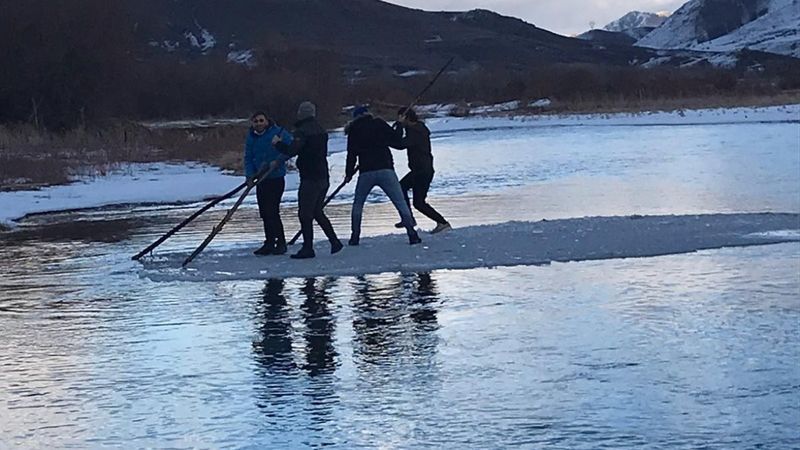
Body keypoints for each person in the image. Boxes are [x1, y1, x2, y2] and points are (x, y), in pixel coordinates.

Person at [271, 101, 343, 259]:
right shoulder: (321, 130)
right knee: (317, 211)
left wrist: (278, 144)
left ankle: (308, 248)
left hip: (310, 177)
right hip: (323, 176)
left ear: (301, 113)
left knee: (305, 214)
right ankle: (335, 242)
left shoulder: (302, 131)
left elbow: (293, 150)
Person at [344, 105, 421, 246]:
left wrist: (348, 174)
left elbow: (351, 155)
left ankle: (355, 236)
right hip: (386, 169)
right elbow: (396, 139)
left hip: (366, 171)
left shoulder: (353, 131)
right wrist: (399, 125)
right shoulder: (378, 124)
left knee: (358, 204)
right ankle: (412, 233)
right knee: (400, 202)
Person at [392, 107, 451, 234]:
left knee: (405, 191)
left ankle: (410, 219)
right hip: (422, 169)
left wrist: (399, 127)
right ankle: (441, 222)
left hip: (422, 170)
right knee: (417, 201)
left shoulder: (416, 132)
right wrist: (401, 125)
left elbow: (401, 144)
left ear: (406, 118)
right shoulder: (416, 128)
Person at [243, 111, 294, 256]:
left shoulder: (278, 133)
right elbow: (248, 157)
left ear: (266, 121)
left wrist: (278, 160)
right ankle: (269, 242)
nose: (259, 124)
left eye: (261, 120)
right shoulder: (251, 137)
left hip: (275, 178)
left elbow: (291, 148)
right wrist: (250, 174)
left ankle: (281, 242)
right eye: (256, 121)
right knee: (264, 212)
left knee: (272, 211)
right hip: (261, 178)